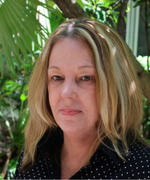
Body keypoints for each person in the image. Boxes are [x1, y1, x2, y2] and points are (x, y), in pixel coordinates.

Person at [14, 18, 150, 179]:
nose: (66, 92)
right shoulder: (33, 156)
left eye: (86, 78)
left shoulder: (142, 170)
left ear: (115, 86)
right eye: (57, 77)